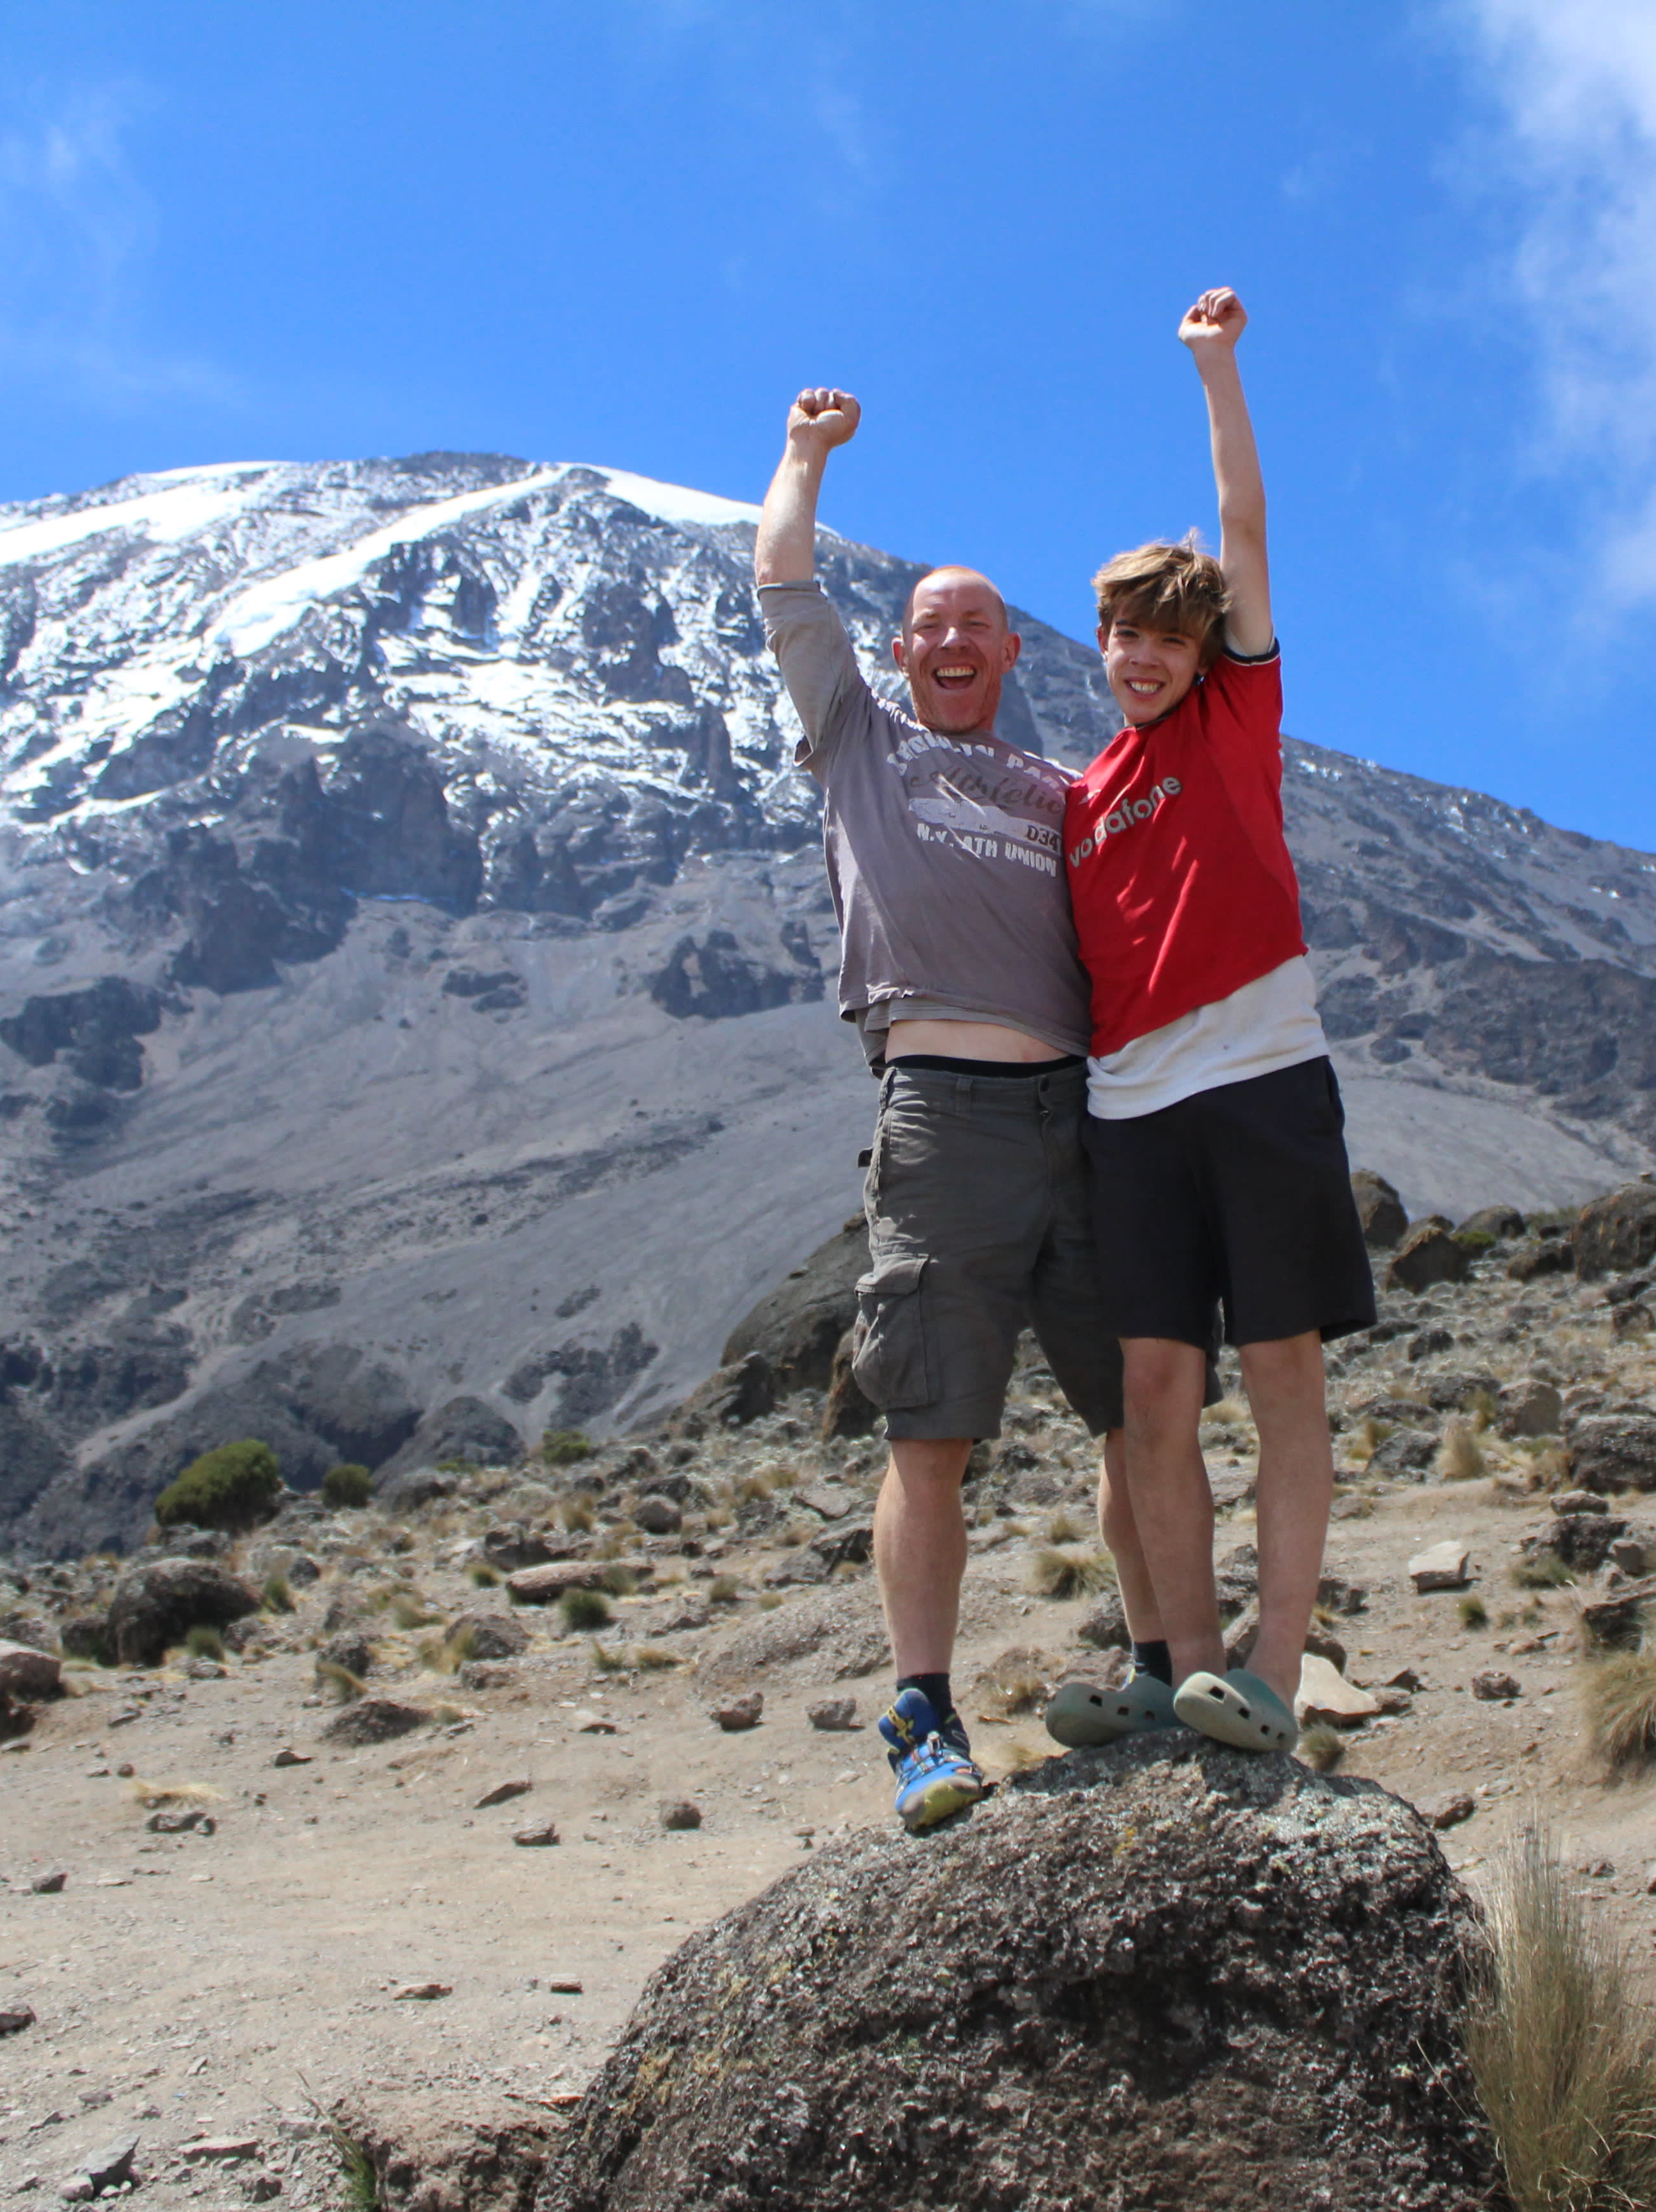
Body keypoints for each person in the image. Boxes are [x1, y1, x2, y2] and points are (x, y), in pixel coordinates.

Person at [752, 387, 1166, 1830]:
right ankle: (924, 1713)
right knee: (929, 1433)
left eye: (976, 623)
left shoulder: (1062, 787)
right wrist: (805, 456)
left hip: (1082, 1113)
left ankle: (1166, 1666)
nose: (949, 640)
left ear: (1008, 651)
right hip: (940, 1114)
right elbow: (784, 585)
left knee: (1141, 1412)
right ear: (901, 650)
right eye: (928, 622)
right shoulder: (859, 742)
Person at [1065, 287, 1373, 1757]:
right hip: (1131, 1114)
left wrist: (1217, 370)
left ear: (1201, 653)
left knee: (1284, 1373)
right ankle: (1188, 1669)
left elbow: (1242, 533)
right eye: (1125, 635)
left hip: (1259, 1077)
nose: (1144, 659)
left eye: (1166, 641)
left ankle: (1281, 1667)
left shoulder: (1232, 717)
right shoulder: (1083, 796)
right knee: (1151, 1393)